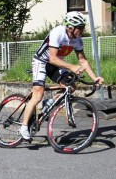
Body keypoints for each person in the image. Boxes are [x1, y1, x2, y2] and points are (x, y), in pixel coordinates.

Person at [19, 11, 104, 140]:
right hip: (42, 62)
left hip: (57, 64)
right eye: (80, 28)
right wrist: (72, 67)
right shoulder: (57, 33)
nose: (82, 30)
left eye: (82, 27)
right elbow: (52, 58)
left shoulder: (77, 40)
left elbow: (83, 61)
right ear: (70, 27)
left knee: (71, 86)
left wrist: (95, 78)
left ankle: (50, 102)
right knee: (38, 95)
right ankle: (24, 127)